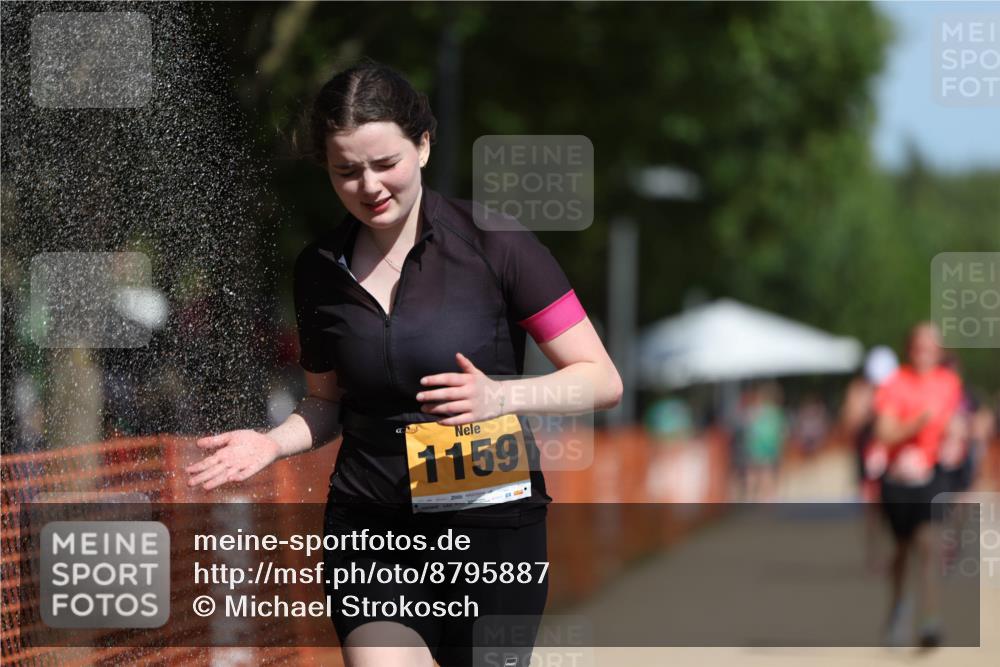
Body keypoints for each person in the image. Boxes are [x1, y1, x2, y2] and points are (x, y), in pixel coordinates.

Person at [185, 59, 622, 667]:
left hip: (490, 527)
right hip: (371, 525)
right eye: (347, 172)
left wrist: (504, 397)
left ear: (422, 145)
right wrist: (272, 445)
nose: (369, 187)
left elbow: (601, 379)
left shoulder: (497, 242)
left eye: (385, 164)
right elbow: (325, 403)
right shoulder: (317, 269)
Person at [866, 322, 962, 648]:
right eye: (920, 346)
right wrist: (916, 423)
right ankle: (897, 611)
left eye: (931, 347)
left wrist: (957, 434)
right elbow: (884, 432)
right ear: (910, 348)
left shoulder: (949, 383)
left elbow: (951, 423)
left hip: (931, 477)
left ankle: (930, 620)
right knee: (903, 550)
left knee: (928, 544)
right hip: (897, 480)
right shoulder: (894, 384)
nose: (925, 352)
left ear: (940, 352)